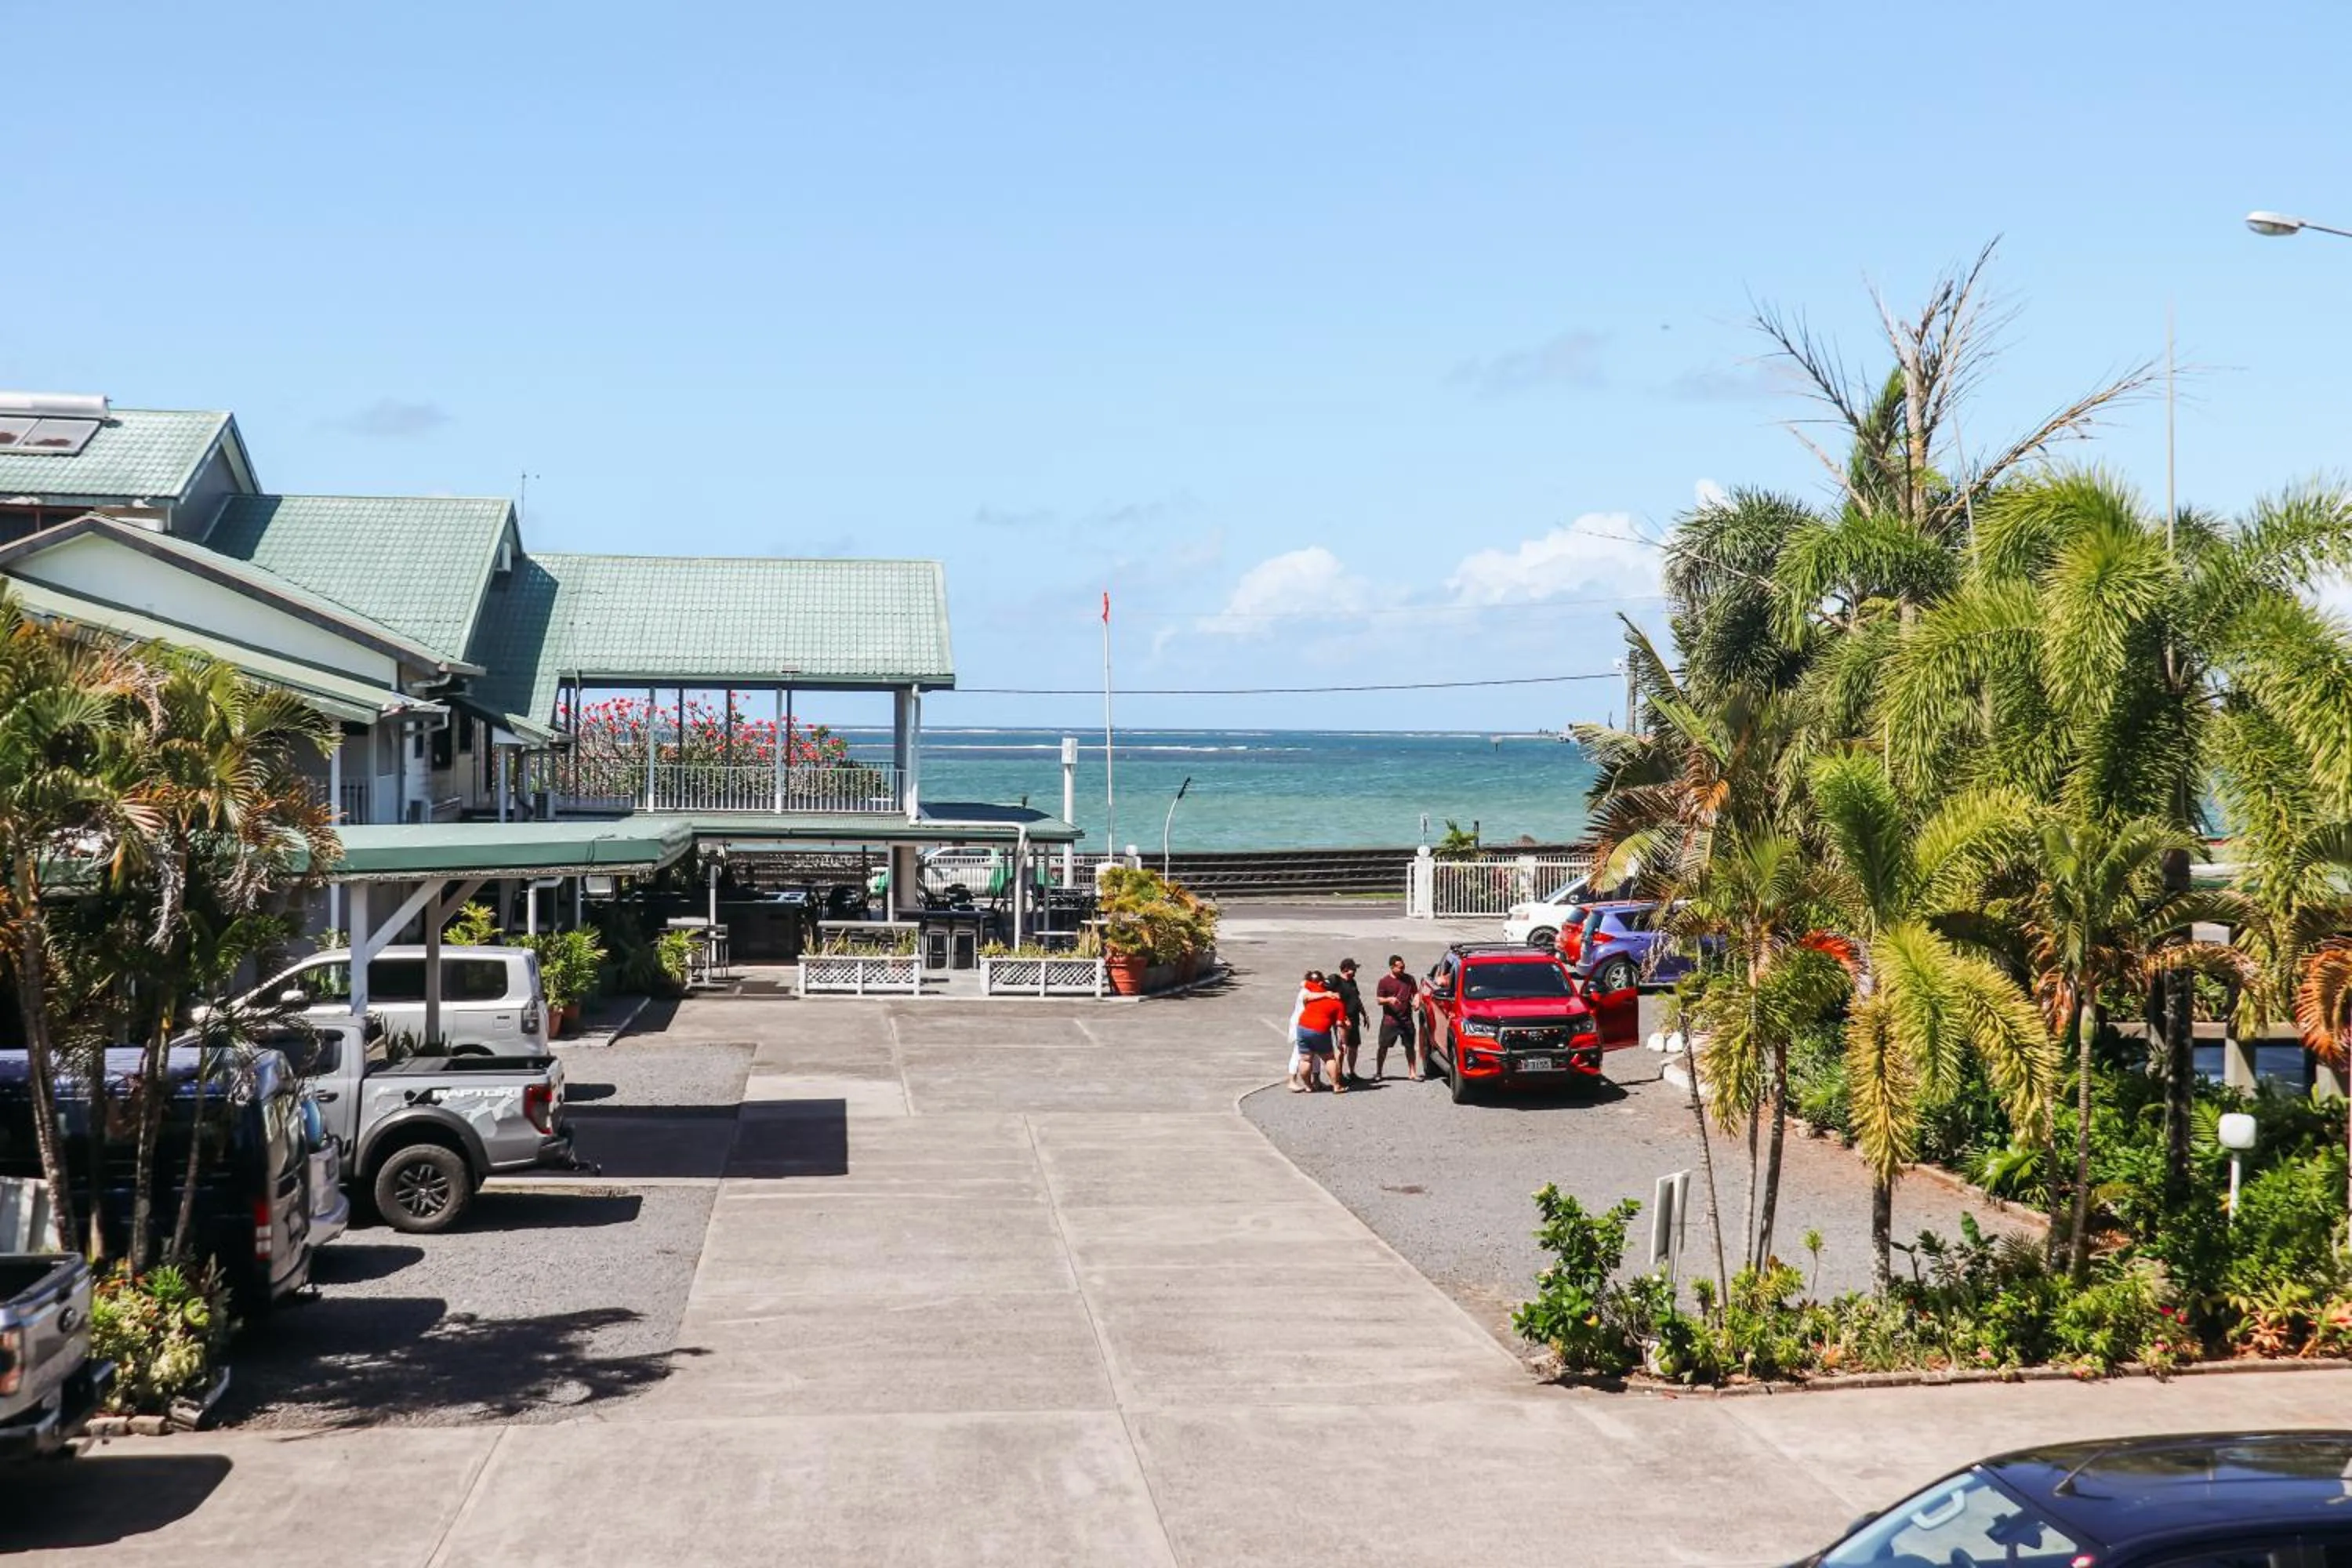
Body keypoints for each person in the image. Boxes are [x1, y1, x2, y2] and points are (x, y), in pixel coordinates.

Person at [1374, 953, 1421, 1081]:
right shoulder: (1384, 982)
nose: (1402, 970)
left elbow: (1416, 993)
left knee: (1410, 1046)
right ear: (1392, 967)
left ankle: (1412, 1072)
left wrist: (1417, 1000)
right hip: (1390, 1021)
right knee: (1383, 1046)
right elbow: (1379, 1000)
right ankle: (1379, 1072)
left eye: (1403, 967)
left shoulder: (1409, 979)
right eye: (1400, 968)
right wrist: (1389, 1000)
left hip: (1406, 1020)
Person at [1296, 979, 1348, 1092]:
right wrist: (1343, 1042)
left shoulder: (1318, 990)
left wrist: (1324, 994)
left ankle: (1308, 1086)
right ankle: (1336, 1086)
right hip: (1320, 1029)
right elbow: (1340, 1025)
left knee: (1305, 1059)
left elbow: (1303, 982)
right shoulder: (1338, 1003)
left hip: (1303, 1027)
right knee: (1329, 1058)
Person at [1330, 958, 1369, 1083]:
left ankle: (1352, 1072)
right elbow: (1326, 992)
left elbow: (1357, 998)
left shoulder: (1352, 982)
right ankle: (1338, 1074)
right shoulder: (1336, 981)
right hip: (1342, 1019)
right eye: (1353, 969)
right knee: (1342, 1047)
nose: (1355, 972)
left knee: (1354, 1046)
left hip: (1354, 1018)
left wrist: (1364, 1013)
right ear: (1346, 969)